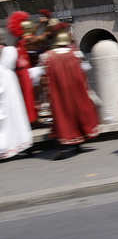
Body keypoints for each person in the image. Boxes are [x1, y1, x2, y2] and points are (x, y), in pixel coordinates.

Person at [40, 32, 100, 160]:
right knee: (77, 114)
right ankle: (79, 144)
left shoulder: (47, 56)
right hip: (77, 91)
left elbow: (42, 76)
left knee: (62, 117)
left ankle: (65, 147)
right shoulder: (76, 54)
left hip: (59, 93)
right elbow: (86, 69)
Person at [0, 29, 33, 160]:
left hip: (7, 85)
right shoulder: (10, 51)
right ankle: (17, 143)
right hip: (9, 83)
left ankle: (10, 145)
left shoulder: (8, 51)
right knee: (14, 114)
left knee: (9, 116)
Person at [6, 11, 38, 125]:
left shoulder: (19, 41)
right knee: (28, 95)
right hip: (24, 71)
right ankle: (31, 119)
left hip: (25, 70)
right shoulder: (22, 42)